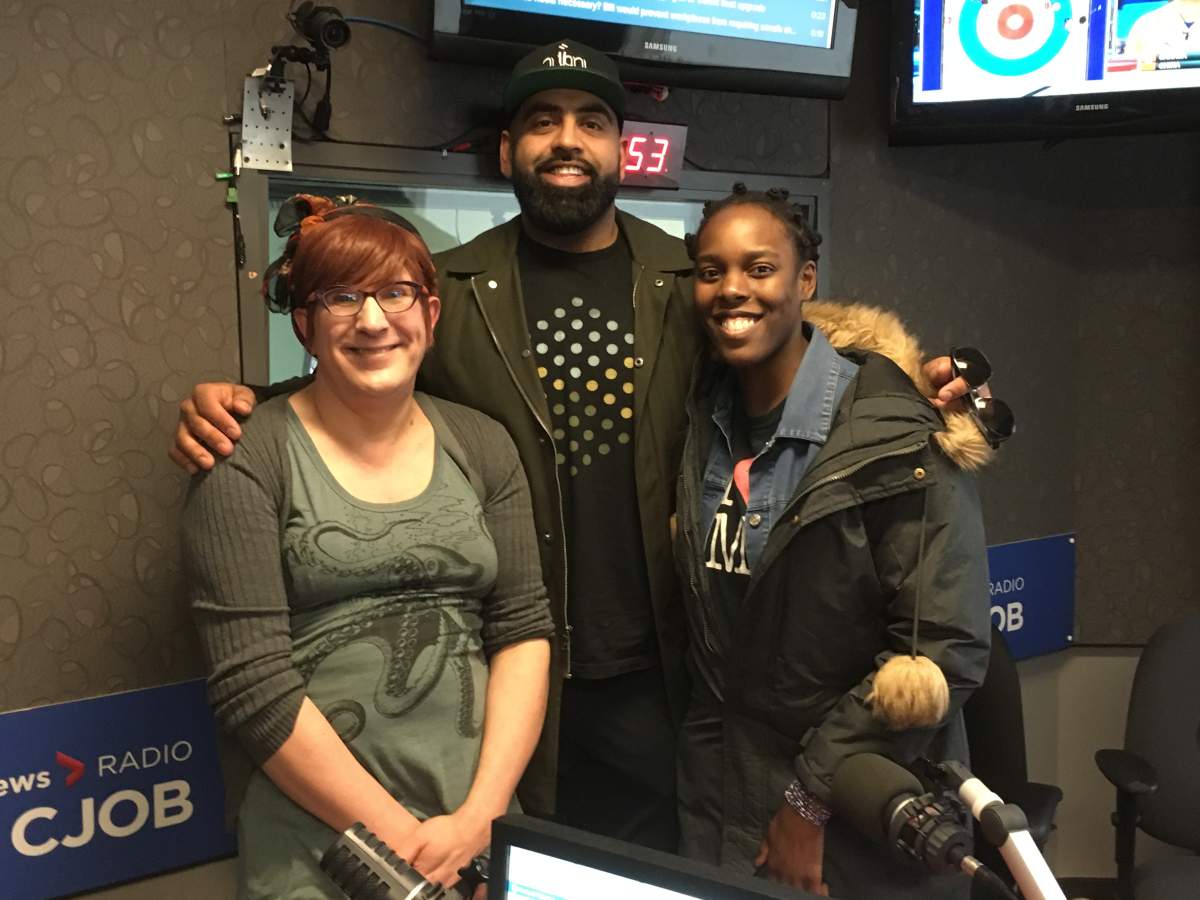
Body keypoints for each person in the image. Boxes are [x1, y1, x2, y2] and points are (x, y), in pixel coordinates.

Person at [169, 40, 989, 853]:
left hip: (669, 682)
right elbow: (365, 374)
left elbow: (801, 353)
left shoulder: (691, 282)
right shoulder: (446, 290)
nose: (567, 139)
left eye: (591, 121)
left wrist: (928, 386)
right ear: (507, 150)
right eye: (540, 121)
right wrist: (245, 405)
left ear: (619, 149)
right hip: (515, 680)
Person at [180, 196, 554, 898]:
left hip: (477, 830)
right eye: (341, 297)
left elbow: (522, 629)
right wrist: (404, 843)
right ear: (305, 324)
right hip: (319, 849)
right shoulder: (244, 454)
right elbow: (252, 686)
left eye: (396, 292)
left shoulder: (481, 443)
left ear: (431, 314)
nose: (374, 319)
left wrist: (480, 818)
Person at [673, 184, 993, 898]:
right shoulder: (704, 417)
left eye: (759, 268)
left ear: (805, 280)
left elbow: (949, 648)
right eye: (711, 271)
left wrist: (808, 800)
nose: (732, 290)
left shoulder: (895, 435)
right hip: (719, 797)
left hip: (853, 808)